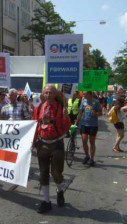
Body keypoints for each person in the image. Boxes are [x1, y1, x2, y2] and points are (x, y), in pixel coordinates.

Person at [33, 85, 71, 214]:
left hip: (56, 144)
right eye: (46, 92)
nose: (48, 95)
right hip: (42, 144)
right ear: (43, 94)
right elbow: (34, 126)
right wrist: (32, 143)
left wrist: (65, 118)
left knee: (56, 173)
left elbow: (66, 128)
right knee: (43, 174)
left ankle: (60, 190)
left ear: (55, 94)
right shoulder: (39, 108)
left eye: (50, 92)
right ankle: (46, 201)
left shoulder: (61, 108)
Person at [75, 91, 102, 167]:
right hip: (84, 124)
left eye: (85, 94)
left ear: (90, 94)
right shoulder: (83, 100)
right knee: (84, 141)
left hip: (93, 125)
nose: (83, 95)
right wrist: (76, 123)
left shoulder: (96, 102)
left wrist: (96, 113)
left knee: (92, 142)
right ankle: (87, 156)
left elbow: (101, 113)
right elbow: (80, 112)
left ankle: (92, 159)